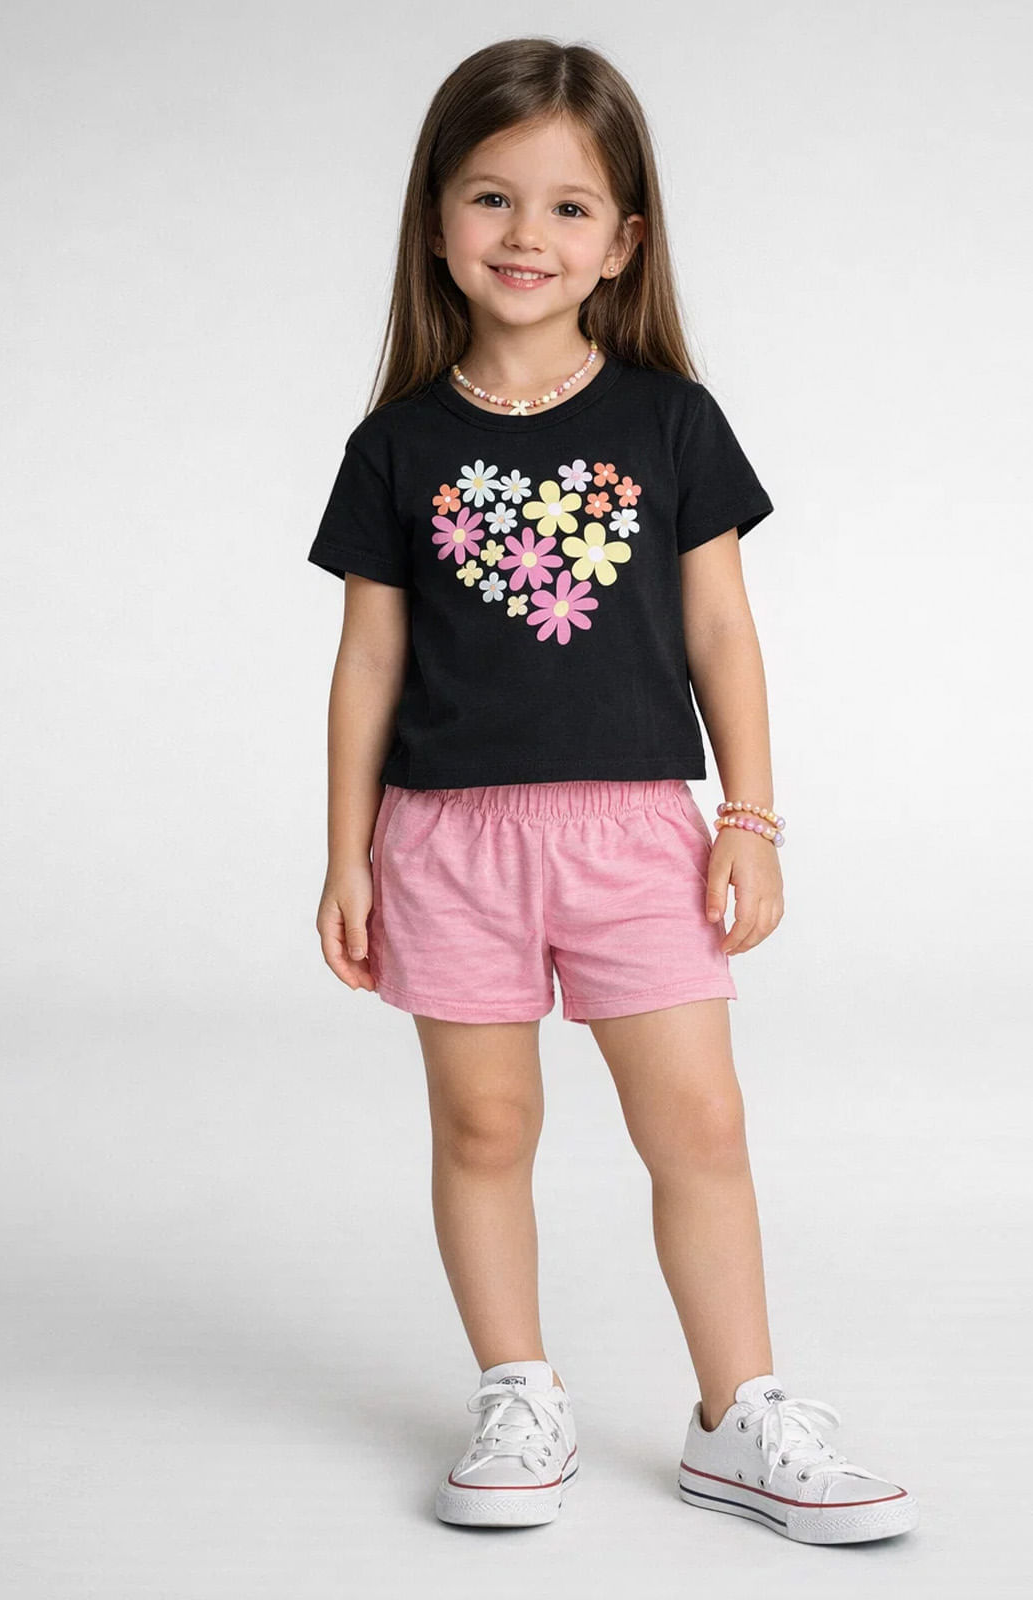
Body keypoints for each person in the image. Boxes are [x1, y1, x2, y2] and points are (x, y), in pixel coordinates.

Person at [307, 37, 918, 1545]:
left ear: (624, 239)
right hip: (446, 842)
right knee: (482, 1126)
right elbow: (368, 663)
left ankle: (740, 1416)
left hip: (637, 832)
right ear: (435, 219)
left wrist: (750, 818)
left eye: (569, 207)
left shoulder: (669, 421)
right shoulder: (397, 447)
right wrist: (346, 855)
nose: (528, 234)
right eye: (492, 197)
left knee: (698, 1122)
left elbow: (722, 631)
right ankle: (517, 1391)